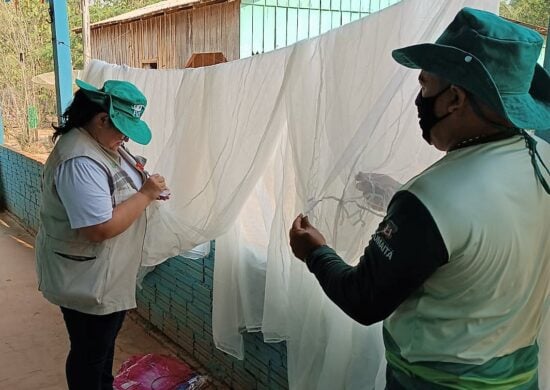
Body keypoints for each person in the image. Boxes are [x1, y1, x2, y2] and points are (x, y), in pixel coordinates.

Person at [289, 7, 550, 389]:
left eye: (425, 85)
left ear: (455, 99)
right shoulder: (541, 159)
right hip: (519, 378)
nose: (419, 98)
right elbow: (480, 232)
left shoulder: (430, 199)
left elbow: (364, 298)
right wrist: (397, 199)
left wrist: (314, 252)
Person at [35, 79, 169, 390]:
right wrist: (146, 195)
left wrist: (144, 186)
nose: (125, 137)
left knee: (100, 348)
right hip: (86, 279)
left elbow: (115, 185)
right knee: (90, 353)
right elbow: (98, 228)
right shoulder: (79, 160)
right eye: (122, 128)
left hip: (103, 271)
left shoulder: (102, 141)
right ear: (101, 119)